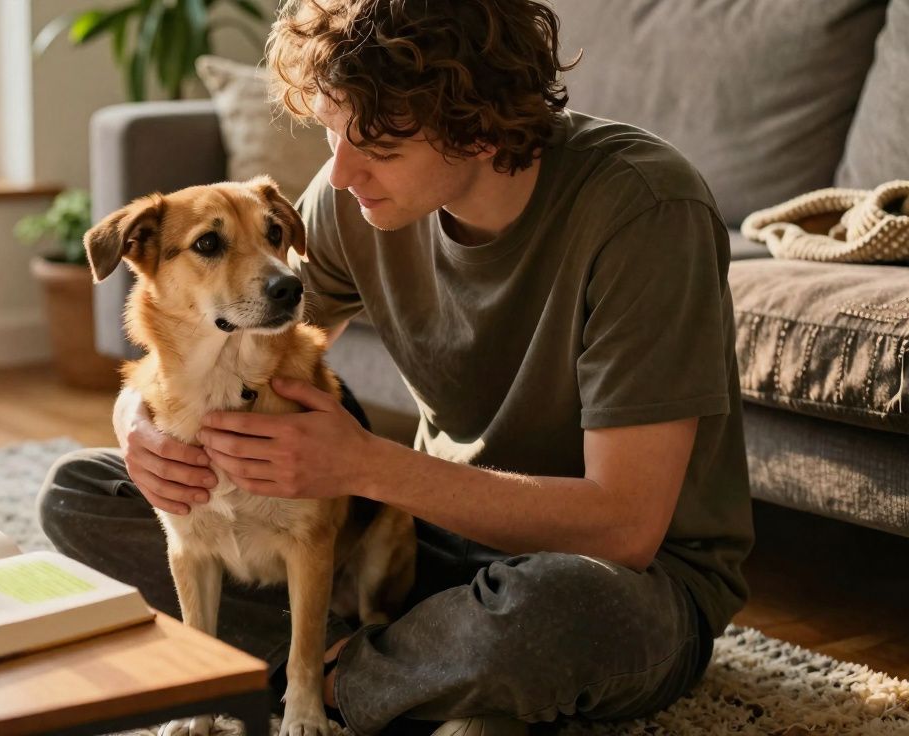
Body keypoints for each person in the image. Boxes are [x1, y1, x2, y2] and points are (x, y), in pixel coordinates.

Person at [37, 0, 755, 733]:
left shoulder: (645, 209)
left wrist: (362, 466)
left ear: (476, 124)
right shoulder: (356, 198)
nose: (341, 172)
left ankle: (334, 677)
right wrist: (141, 427)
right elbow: (229, 337)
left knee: (550, 615)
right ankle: (421, 677)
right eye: (330, 132)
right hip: (424, 548)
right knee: (80, 492)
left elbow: (626, 528)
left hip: (617, 580)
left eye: (376, 145)